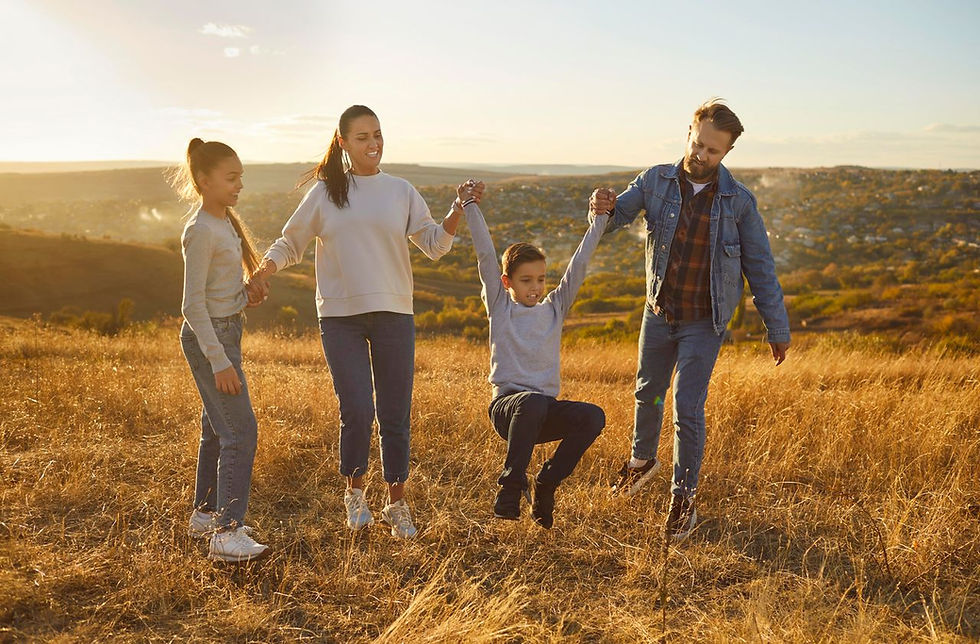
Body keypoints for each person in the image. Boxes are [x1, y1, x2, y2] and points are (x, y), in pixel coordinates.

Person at [246, 105, 465, 539]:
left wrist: (458, 208)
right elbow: (290, 242)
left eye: (379, 134)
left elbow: (435, 245)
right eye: (363, 137)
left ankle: (396, 503)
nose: (374, 144)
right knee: (358, 409)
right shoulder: (326, 193)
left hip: (394, 313)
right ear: (343, 143)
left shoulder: (401, 190)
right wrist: (263, 271)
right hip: (340, 316)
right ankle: (355, 494)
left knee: (395, 411)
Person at [591, 99, 791, 541]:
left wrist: (776, 329)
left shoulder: (739, 202)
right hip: (659, 311)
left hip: (705, 321)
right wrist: (601, 205)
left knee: (686, 407)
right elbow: (615, 217)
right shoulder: (654, 180)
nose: (702, 155)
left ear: (726, 154)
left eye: (713, 151)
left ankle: (684, 498)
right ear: (689, 133)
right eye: (698, 144)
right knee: (648, 392)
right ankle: (642, 462)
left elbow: (761, 267)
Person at [459, 180, 606, 529]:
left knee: (593, 416)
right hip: (507, 411)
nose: (536, 287)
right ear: (507, 282)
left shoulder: (554, 307)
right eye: (526, 281)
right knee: (532, 402)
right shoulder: (499, 306)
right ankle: (510, 487)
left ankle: (547, 482)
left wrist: (599, 219)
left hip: (542, 412)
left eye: (541, 279)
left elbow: (580, 264)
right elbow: (484, 254)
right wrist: (469, 206)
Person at [173, 138, 270, 562]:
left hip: (227, 330)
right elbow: (191, 304)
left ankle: (206, 514)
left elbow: (217, 290)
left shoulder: (224, 223)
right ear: (203, 180)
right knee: (240, 431)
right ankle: (227, 533)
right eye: (231, 179)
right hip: (209, 338)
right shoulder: (200, 231)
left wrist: (245, 292)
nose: (239, 186)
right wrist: (220, 361)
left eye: (240, 178)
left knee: (216, 427)